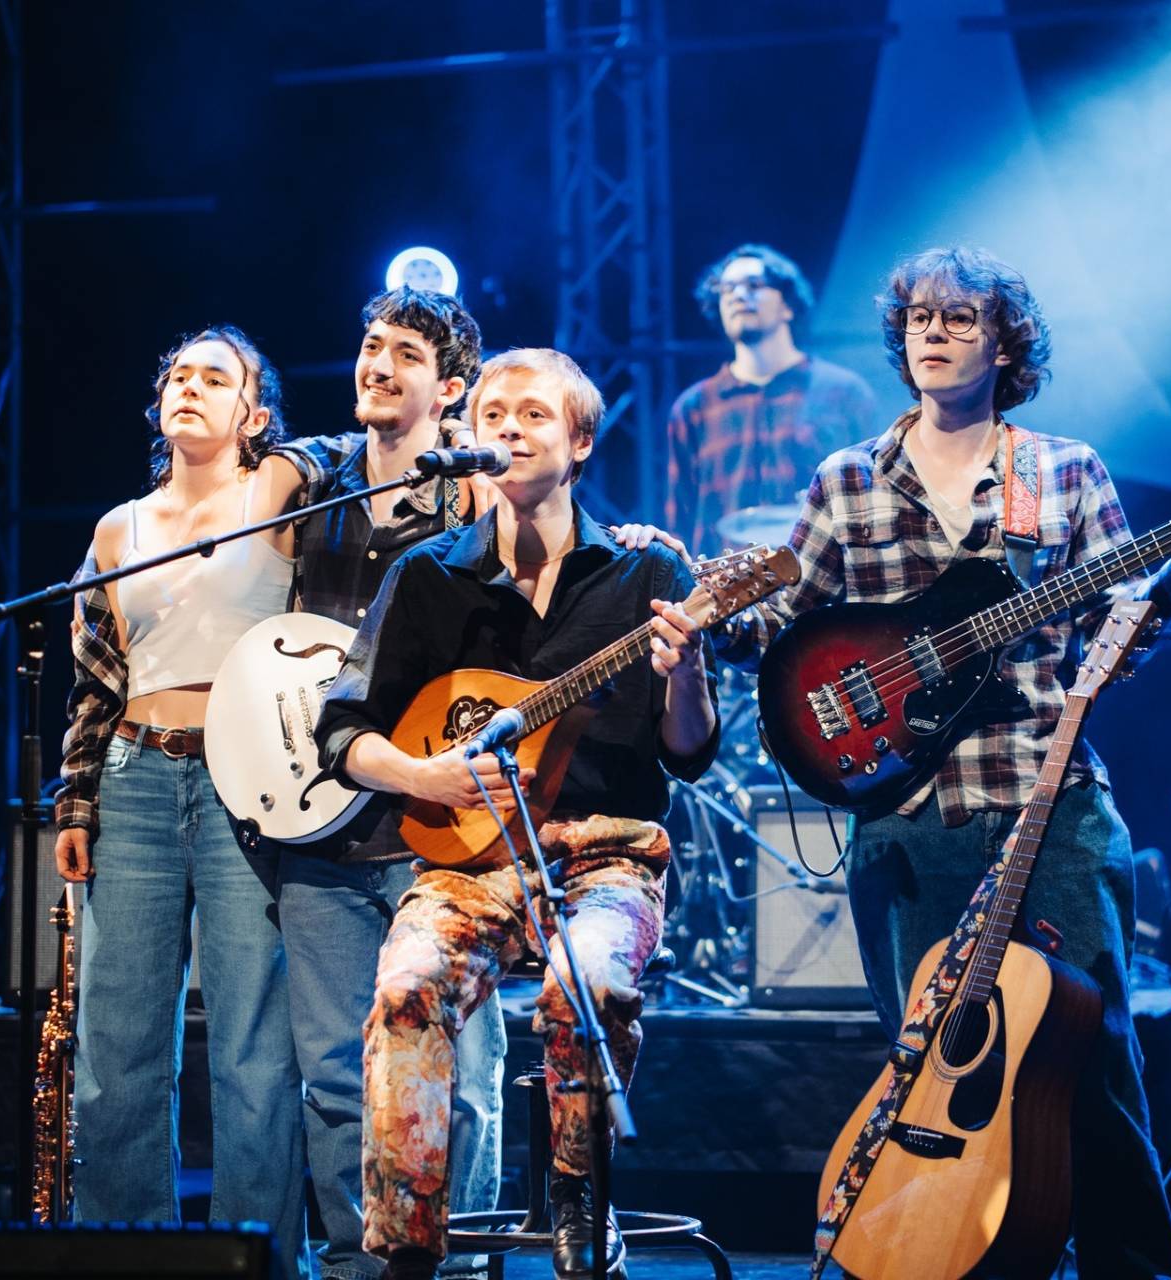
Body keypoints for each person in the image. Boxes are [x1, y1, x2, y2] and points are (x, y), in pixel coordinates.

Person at [722, 247, 1171, 1279]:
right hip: (903, 811)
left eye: (959, 318)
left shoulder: (1059, 471)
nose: (932, 331)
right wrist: (718, 626)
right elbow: (786, 637)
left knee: (1092, 1060)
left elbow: (1122, 637)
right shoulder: (846, 480)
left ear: (1004, 341)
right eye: (919, 318)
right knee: (931, 1069)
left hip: (1046, 794)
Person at [315, 348, 720, 1280]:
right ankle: (408, 1250)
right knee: (405, 989)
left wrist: (684, 671)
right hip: (465, 863)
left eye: (533, 414)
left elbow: (689, 752)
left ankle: (582, 1204)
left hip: (606, 853)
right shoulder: (427, 576)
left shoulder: (646, 569)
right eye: (490, 413)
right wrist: (427, 781)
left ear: (579, 441)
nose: (506, 428)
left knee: (588, 985)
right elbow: (344, 729)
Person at [259, 287, 508, 1280]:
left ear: (449, 389)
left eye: (403, 351)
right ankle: (363, 1269)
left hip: (439, 831)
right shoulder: (311, 485)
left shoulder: (473, 498)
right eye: (368, 344)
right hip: (319, 828)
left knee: (460, 1073)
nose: (377, 362)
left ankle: (459, 1260)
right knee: (330, 1074)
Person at [53, 327, 306, 1277]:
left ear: (256, 412)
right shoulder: (118, 527)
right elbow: (93, 682)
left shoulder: (276, 490)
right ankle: (123, 1257)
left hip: (248, 775)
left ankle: (262, 1260)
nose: (190, 388)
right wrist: (75, 806)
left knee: (250, 1042)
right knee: (116, 1040)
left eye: (217, 377)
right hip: (134, 775)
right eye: (177, 376)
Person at [664, 243, 875, 558]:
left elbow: (871, 500)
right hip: (726, 590)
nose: (738, 295)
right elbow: (679, 517)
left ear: (787, 305)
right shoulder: (693, 407)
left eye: (753, 285)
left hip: (824, 582)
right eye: (727, 289)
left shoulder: (843, 392)